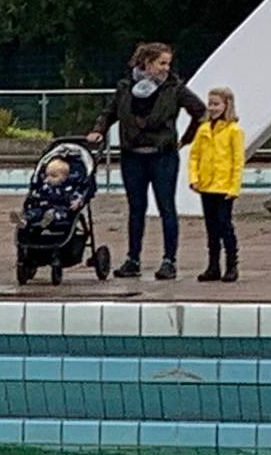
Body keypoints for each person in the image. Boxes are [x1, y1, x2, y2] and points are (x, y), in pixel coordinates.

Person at [88, 42, 205, 281]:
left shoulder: (174, 88)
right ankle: (133, 259)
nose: (165, 68)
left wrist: (187, 137)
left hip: (162, 155)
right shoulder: (125, 87)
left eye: (168, 64)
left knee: (166, 207)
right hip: (133, 156)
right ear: (146, 63)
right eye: (161, 63)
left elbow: (200, 112)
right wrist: (99, 129)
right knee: (136, 208)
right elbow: (109, 112)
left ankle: (169, 260)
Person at [187, 87, 246, 283]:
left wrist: (234, 187)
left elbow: (238, 161)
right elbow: (194, 155)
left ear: (226, 105)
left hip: (224, 186)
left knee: (224, 225)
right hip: (207, 185)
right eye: (210, 104)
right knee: (211, 227)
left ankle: (232, 264)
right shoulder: (203, 129)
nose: (212, 108)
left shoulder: (234, 131)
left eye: (216, 104)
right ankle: (213, 265)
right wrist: (194, 178)